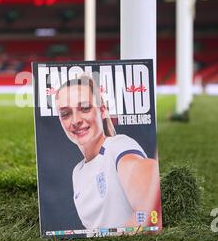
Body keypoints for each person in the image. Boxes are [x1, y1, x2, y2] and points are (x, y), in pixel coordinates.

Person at [55, 75, 161, 230]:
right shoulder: (77, 172)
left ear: (102, 110)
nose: (75, 120)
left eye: (85, 108)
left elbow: (151, 183)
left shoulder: (118, 146)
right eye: (65, 114)